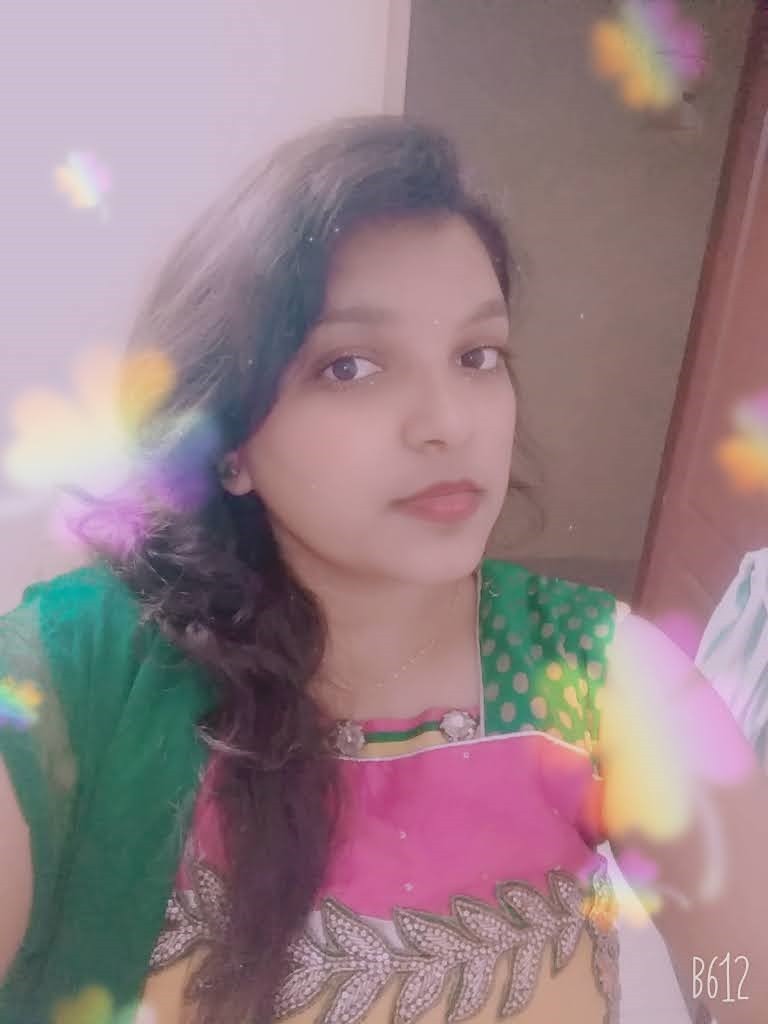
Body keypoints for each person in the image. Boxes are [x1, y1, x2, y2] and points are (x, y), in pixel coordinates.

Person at [0, 115, 766, 1024]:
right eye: (350, 367)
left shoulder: (602, 676)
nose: (448, 421)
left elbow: (744, 975)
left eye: (477, 356)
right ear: (228, 443)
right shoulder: (84, 671)